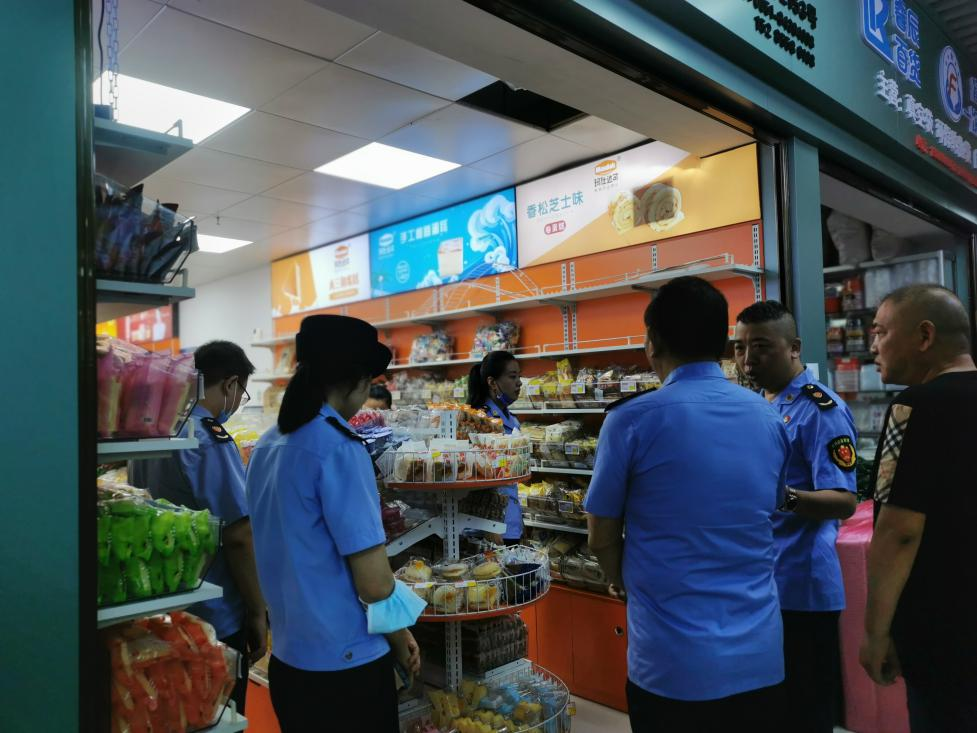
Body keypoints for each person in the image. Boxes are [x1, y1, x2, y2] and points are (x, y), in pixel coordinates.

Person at [585, 276, 791, 732]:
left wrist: (621, 579)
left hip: (672, 663)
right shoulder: (769, 417)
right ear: (723, 343)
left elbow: (601, 535)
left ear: (652, 342)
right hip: (759, 656)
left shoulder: (630, 420)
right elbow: (774, 505)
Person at [246, 315, 424, 733]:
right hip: (346, 666)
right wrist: (400, 636)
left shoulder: (268, 444)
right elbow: (374, 584)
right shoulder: (339, 448)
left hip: (289, 658)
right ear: (355, 380)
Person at [733, 301, 857, 733]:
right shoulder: (755, 406)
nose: (748, 359)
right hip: (760, 580)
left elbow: (844, 500)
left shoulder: (820, 409)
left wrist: (780, 498)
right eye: (740, 347)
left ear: (794, 347)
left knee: (807, 710)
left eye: (761, 346)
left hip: (802, 585)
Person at [859, 285, 977, 731]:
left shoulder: (914, 407)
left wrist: (875, 633)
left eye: (881, 332)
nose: (873, 345)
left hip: (945, 630)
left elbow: (899, 531)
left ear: (924, 336)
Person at [129, 340, 267, 714]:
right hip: (214, 612)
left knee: (176, 712)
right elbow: (238, 537)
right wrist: (257, 611)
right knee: (217, 712)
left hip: (162, 599)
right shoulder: (208, 439)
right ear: (231, 384)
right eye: (241, 394)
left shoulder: (155, 430)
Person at [467, 351, 523, 543]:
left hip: (510, 519)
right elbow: (473, 475)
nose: (519, 383)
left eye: (519, 376)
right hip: (489, 526)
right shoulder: (479, 420)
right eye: (512, 376)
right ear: (492, 382)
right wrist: (487, 524)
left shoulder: (511, 418)